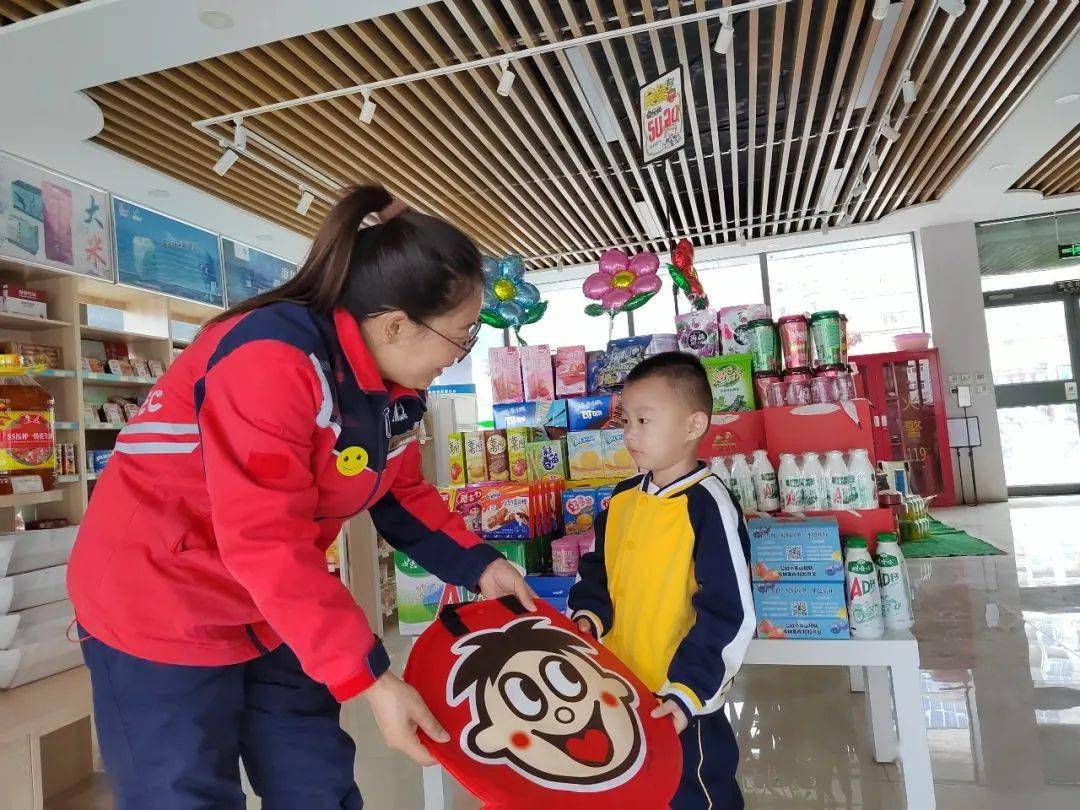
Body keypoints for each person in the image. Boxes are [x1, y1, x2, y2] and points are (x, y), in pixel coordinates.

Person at [67, 185, 536, 809]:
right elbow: (264, 540)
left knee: (314, 781)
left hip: (274, 605)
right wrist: (371, 679)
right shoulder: (272, 359)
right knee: (182, 793)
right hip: (160, 598)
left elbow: (399, 491)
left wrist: (481, 564)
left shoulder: (389, 384)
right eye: (462, 335)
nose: (461, 353)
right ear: (397, 324)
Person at [568, 351, 755, 809]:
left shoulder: (708, 505)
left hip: (678, 699)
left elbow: (730, 610)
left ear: (693, 426)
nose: (629, 434)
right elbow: (598, 567)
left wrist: (688, 690)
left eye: (644, 420)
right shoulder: (623, 497)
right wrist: (588, 615)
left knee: (695, 791)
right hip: (618, 685)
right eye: (625, 420)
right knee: (632, 788)